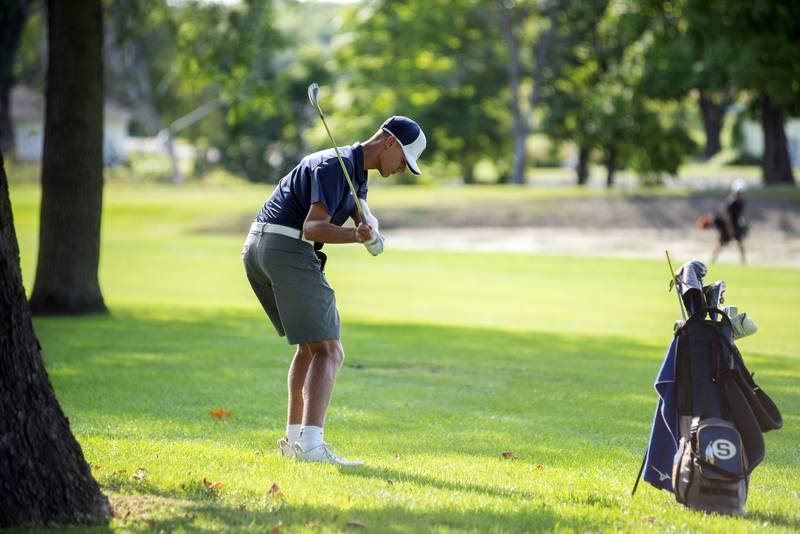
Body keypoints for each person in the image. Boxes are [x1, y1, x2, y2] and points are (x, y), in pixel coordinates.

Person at [242, 116, 426, 465]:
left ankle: (294, 440)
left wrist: (369, 233)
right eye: (403, 159)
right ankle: (312, 447)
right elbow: (313, 227)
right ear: (389, 143)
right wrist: (354, 237)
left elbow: (364, 223)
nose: (403, 168)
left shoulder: (356, 176)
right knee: (331, 350)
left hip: (257, 249)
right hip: (285, 247)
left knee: (312, 348)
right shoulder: (332, 165)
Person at [710, 179, 748, 265]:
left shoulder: (741, 202)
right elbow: (728, 217)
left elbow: (741, 214)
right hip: (728, 225)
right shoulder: (732, 202)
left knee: (740, 243)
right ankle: (713, 259)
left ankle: (743, 262)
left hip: (735, 224)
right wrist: (730, 229)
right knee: (722, 243)